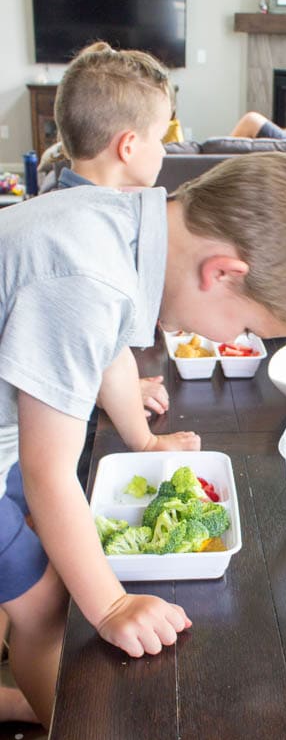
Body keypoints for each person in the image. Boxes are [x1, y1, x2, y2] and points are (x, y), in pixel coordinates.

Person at [0, 151, 286, 727]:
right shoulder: (89, 282)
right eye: (245, 328)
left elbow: (109, 345)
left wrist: (142, 441)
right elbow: (49, 473)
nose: (235, 338)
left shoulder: (122, 227)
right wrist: (112, 604)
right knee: (44, 605)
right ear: (222, 272)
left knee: (22, 568)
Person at [53, 41, 201, 443]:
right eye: (161, 138)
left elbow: (102, 343)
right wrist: (148, 442)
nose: (165, 151)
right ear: (129, 146)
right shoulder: (87, 239)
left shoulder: (72, 211)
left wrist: (117, 392)